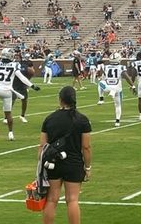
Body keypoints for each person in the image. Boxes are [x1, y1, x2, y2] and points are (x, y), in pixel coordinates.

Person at [40, 86, 92, 224]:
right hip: (74, 163)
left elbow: (42, 146)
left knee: (51, 199)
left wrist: (40, 169)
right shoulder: (82, 119)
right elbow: (86, 147)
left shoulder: (49, 119)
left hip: (52, 163)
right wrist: (87, 167)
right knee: (72, 200)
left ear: (60, 99)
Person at [0, 48, 40, 141]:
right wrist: (32, 85)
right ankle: (10, 134)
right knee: (8, 114)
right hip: (8, 92)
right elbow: (22, 77)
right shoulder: (15, 65)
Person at [97, 53, 133, 127]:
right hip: (117, 88)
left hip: (107, 87)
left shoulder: (106, 67)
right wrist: (133, 86)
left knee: (100, 83)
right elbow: (126, 77)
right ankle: (117, 121)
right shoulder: (121, 67)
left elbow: (102, 75)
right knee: (118, 105)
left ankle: (101, 98)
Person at [11, 50, 36, 123]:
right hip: (13, 85)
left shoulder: (24, 66)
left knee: (24, 101)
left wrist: (27, 81)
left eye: (18, 57)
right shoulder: (11, 65)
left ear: (20, 58)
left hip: (22, 86)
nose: (16, 59)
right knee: (11, 101)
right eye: (15, 57)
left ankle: (22, 115)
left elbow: (31, 72)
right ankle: (7, 116)